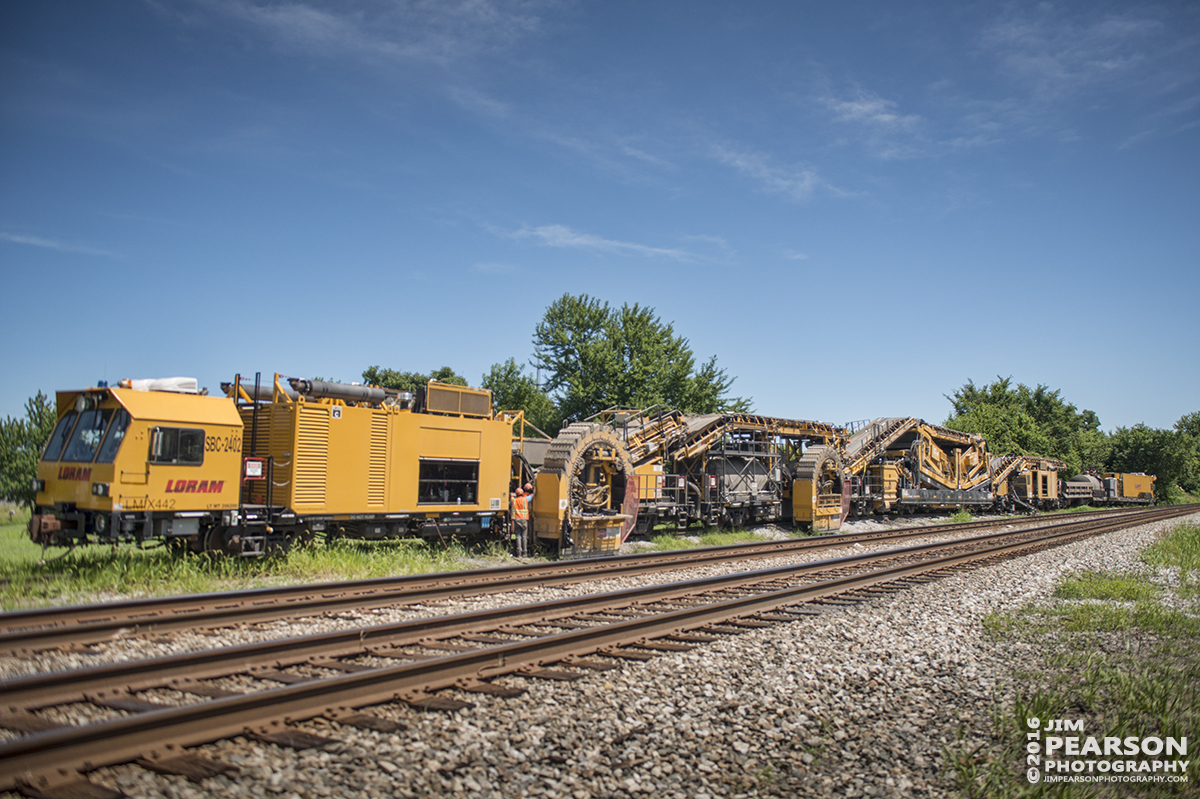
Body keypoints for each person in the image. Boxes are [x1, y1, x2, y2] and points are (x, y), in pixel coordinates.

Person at [512, 487, 529, 557]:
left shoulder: (513, 500)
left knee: (518, 536)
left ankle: (519, 553)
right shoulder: (525, 499)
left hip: (516, 520)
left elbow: (509, 502)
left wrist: (511, 495)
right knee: (524, 536)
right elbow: (533, 495)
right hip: (524, 520)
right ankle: (525, 553)